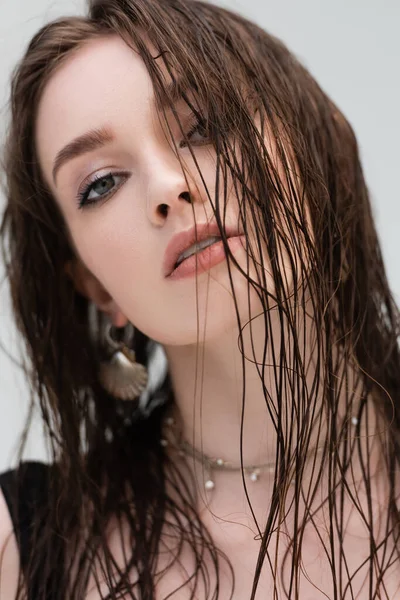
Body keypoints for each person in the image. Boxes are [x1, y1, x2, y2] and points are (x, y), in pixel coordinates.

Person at [0, 0, 399, 598]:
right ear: (95, 285)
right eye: (101, 183)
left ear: (321, 152)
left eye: (204, 126)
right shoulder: (19, 546)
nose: (168, 186)